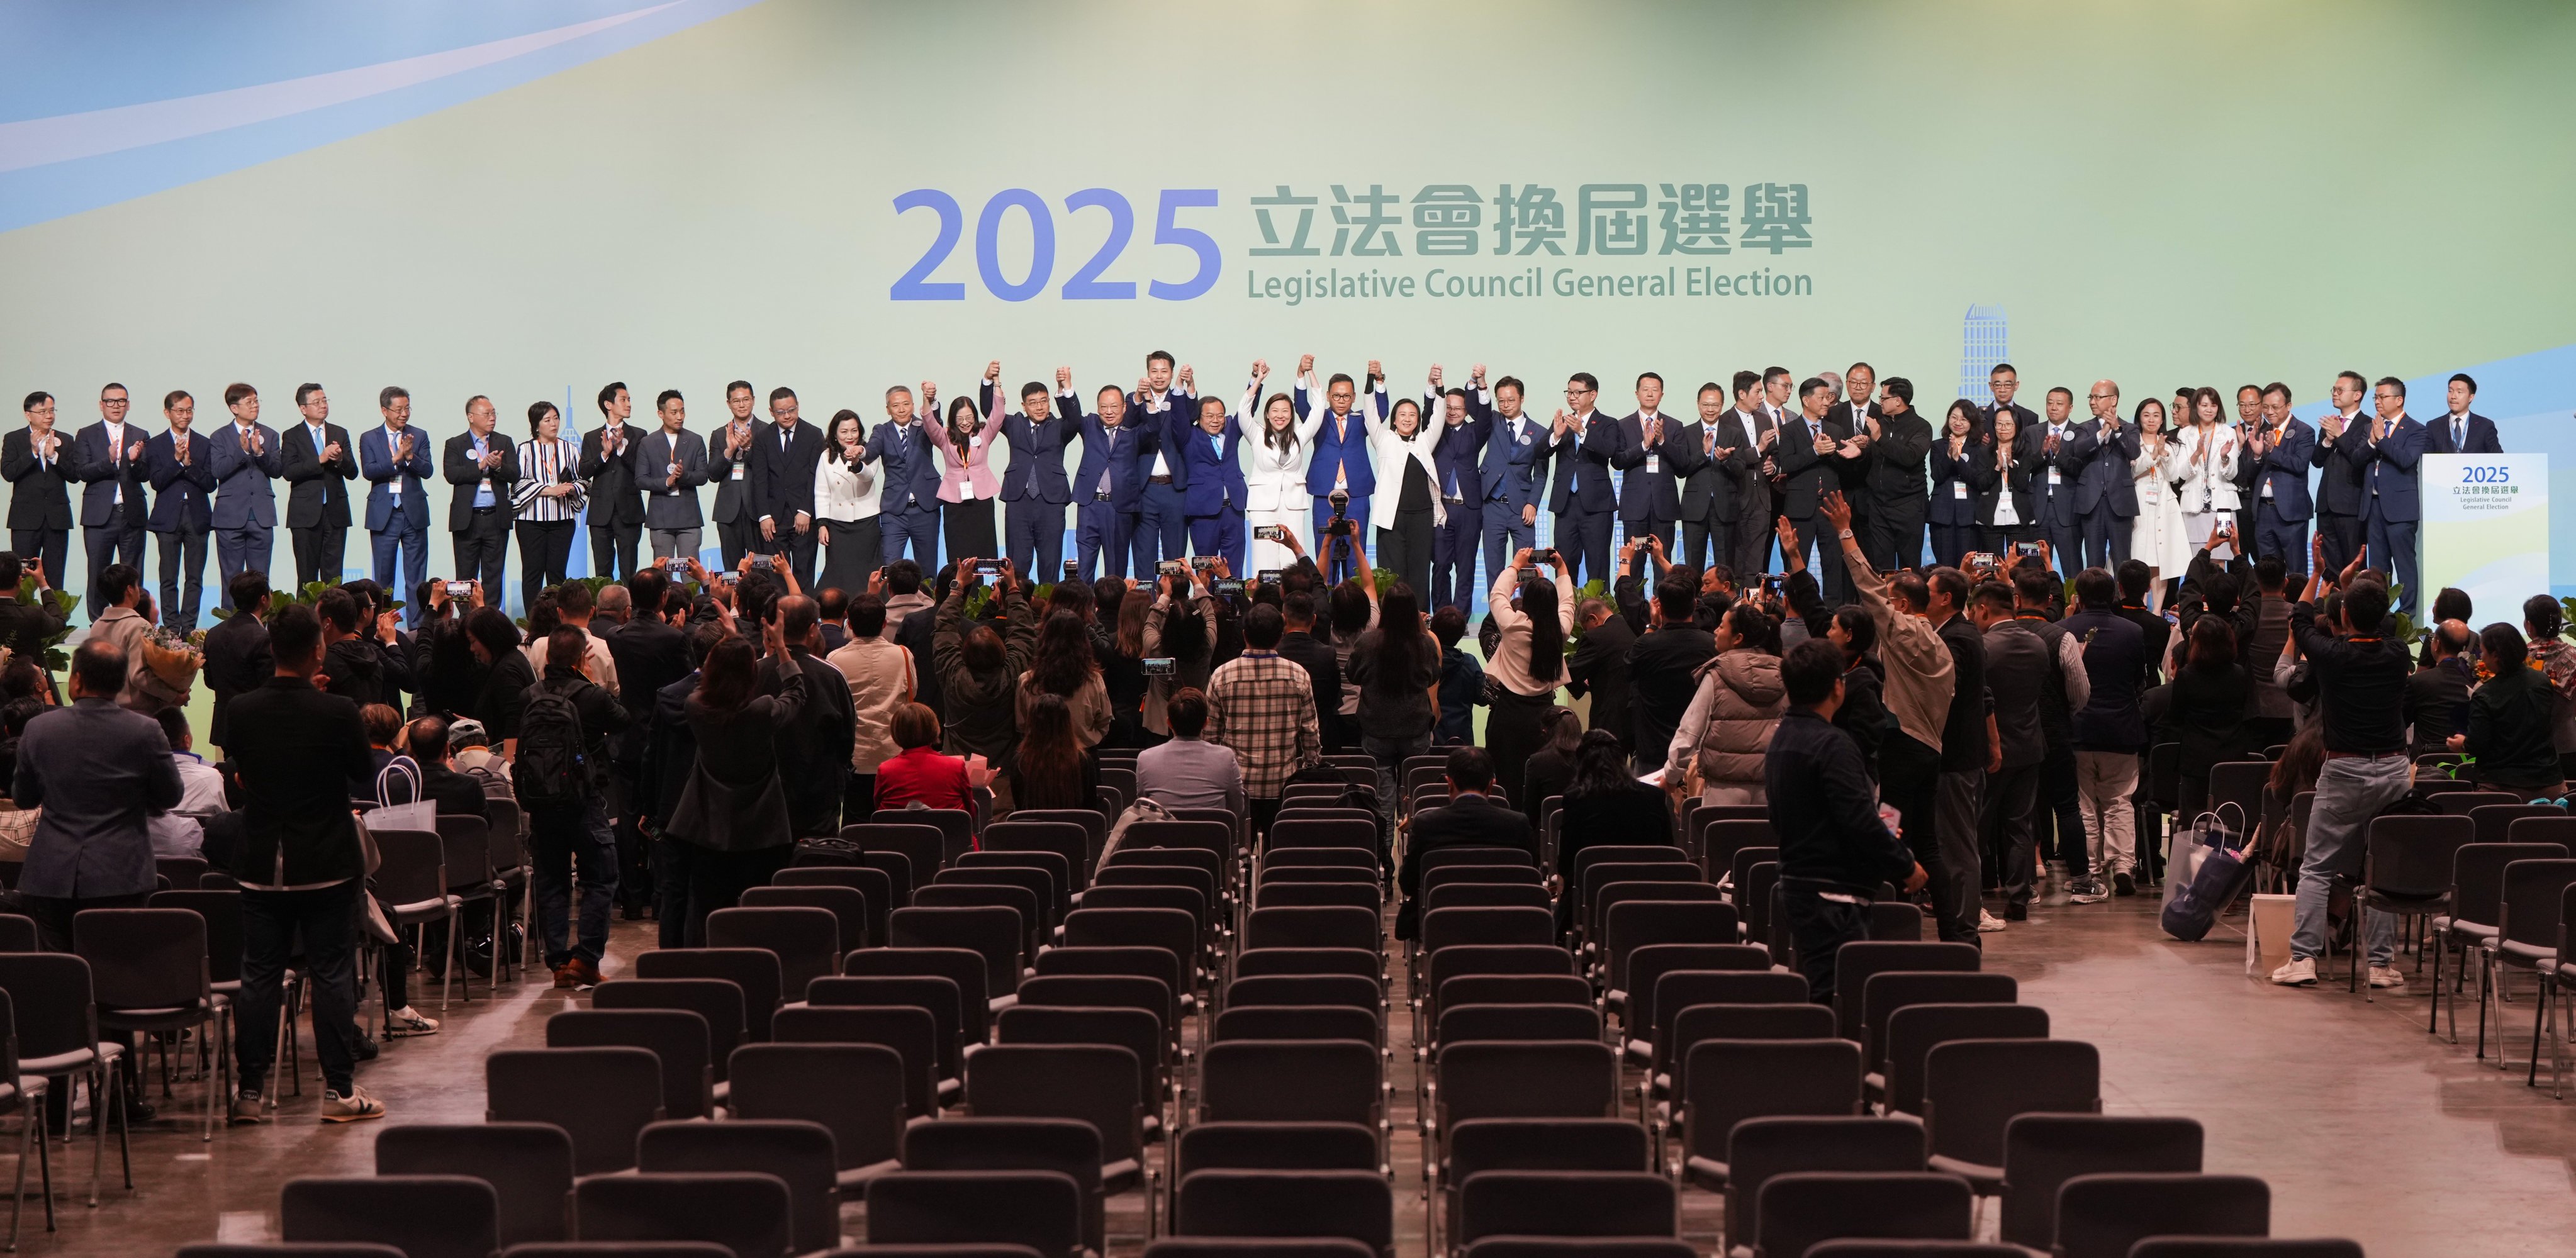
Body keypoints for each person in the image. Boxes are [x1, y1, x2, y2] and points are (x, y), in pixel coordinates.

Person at [221, 604, 384, 1123]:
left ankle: (249, 1093)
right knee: (333, 974)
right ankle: (339, 1092)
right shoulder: (337, 712)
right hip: (327, 861)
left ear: (271, 650)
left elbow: (241, 774)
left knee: (260, 976)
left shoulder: (241, 711)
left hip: (261, 860)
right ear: (318, 649)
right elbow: (362, 771)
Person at [1820, 491, 1966, 942]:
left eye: (1889, 599)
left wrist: (1846, 531)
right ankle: (1956, 935)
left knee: (1888, 836)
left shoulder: (1901, 632)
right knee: (1928, 845)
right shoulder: (1943, 647)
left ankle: (1896, 932)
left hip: (1900, 754)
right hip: (1930, 753)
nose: (1881, 603)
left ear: (1900, 605)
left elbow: (1865, 582)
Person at [2272, 548, 2413, 989]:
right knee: (2382, 864)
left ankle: (2304, 959)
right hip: (2392, 769)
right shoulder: (2396, 655)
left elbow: (2299, 618)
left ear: (2345, 615)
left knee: (2316, 867)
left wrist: (2321, 577)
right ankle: (2381, 964)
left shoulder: (2331, 656)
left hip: (2344, 770)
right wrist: (2354, 590)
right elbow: (2378, 622)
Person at [1769, 638, 1929, 1006]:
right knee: (1836, 994)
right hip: (1832, 892)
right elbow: (1858, 820)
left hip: (1800, 881)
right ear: (1837, 687)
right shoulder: (1833, 745)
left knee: (1824, 985)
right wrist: (1906, 865)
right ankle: (1830, 1061)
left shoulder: (1784, 737)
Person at [668, 620, 806, 942]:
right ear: (752, 675)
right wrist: (781, 647)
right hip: (762, 830)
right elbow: (797, 693)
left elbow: (712, 682)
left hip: (707, 826)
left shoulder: (695, 708)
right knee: (757, 912)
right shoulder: (763, 711)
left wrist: (731, 644)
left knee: (706, 910)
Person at [518, 624, 627, 988]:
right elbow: (624, 721)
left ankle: (559, 965)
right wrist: (592, 682)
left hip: (542, 803)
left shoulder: (528, 696)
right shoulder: (592, 696)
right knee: (601, 878)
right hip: (584, 801)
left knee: (552, 882)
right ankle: (587, 958)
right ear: (583, 658)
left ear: (547, 658)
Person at [2063, 566, 2149, 896]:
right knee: (2119, 800)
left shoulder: (2063, 629)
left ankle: (2091, 870)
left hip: (2078, 729)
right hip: (2122, 728)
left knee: (2084, 803)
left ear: (2078, 597)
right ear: (2114, 594)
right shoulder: (2132, 632)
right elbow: (2138, 679)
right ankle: (2124, 864)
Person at [1204, 603, 1321, 833]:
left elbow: (1210, 738)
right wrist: (1309, 772)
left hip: (1237, 787)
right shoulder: (1298, 675)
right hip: (1284, 786)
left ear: (1244, 635)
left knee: (1239, 855)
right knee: (1279, 854)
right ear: (1281, 636)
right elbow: (1310, 734)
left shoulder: (1222, 675)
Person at [1396, 746, 1535, 937]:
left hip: (1442, 925)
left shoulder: (1427, 824)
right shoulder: (1517, 824)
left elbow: (1409, 884)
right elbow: (1530, 878)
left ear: (1449, 783)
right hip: (1505, 924)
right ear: (1491, 785)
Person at [1969, 581, 2047, 921]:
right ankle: (2019, 898)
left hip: (1991, 748)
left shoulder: (1983, 647)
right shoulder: (2039, 644)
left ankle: (1974, 898)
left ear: (1984, 609)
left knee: (1978, 827)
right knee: (2020, 827)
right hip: (2030, 745)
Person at [931, 562, 1036, 810]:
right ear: (1002, 653)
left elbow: (944, 629)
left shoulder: (952, 674)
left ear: (964, 652)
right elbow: (1022, 634)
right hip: (1002, 773)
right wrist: (1011, 587)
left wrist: (957, 589)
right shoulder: (1012, 674)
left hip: (956, 773)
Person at [1666, 599, 1786, 806]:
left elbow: (1690, 732)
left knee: (1722, 838)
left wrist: (1671, 775)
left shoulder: (1717, 674)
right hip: (1773, 789)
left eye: (1722, 626)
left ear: (1738, 638)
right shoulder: (1786, 674)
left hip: (1725, 792)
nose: (1715, 631)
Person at [1557, 729, 1672, 926]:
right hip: (1647, 896)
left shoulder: (1576, 799)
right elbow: (1668, 852)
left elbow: (1567, 862)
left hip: (1591, 898)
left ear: (1582, 763)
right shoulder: (1654, 797)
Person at [1349, 583, 1442, 816]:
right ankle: (1413, 848)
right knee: (1415, 795)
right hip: (1415, 728)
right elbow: (1433, 677)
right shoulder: (1425, 644)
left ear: (1384, 609)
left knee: (1383, 797)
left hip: (1376, 728)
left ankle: (1384, 850)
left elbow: (1353, 675)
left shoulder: (1366, 642)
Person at [766, 594, 854, 837]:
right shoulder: (831, 675)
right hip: (819, 793)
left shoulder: (754, 671)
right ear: (813, 630)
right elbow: (847, 737)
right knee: (817, 869)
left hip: (765, 795)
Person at [983, 364, 1076, 584]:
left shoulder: (1060, 426)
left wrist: (1066, 386)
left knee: (1050, 561)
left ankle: (1047, 610)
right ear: (1024, 406)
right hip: (1019, 501)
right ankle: (1016, 606)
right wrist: (989, 380)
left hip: (1051, 501)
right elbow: (990, 411)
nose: (1040, 407)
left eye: (1044, 401)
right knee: (1018, 563)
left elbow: (1075, 418)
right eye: (1033, 403)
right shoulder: (1014, 424)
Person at [1294, 357, 1382, 584]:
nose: (1341, 401)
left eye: (1346, 396)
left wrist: (1378, 380)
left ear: (1353, 397)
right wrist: (1301, 375)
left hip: (1357, 493)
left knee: (1356, 549)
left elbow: (1380, 411)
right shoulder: (1319, 418)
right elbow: (1302, 405)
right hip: (1325, 493)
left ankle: (1354, 603)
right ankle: (1325, 600)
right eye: (1336, 396)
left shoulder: (1362, 418)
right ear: (1328, 397)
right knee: (1325, 548)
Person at [2453, 623, 2567, 798]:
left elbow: (2477, 745)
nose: (2481, 658)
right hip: (2550, 784)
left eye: (2483, 652)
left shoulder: (2484, 695)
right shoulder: (2543, 682)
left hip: (2501, 789)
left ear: (2496, 656)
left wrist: (2462, 744)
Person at [831, 591, 916, 815]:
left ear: (849, 624)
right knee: (893, 824)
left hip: (854, 758)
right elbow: (913, 693)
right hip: (894, 754)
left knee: (855, 824)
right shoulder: (903, 655)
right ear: (885, 623)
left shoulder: (835, 659)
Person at [72, 382, 152, 613]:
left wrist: (135, 461)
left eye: (121, 401)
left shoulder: (140, 435)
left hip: (132, 514)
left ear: (128, 405)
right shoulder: (86, 434)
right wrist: (108, 461)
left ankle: (135, 624)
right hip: (99, 516)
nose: (116, 406)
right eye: (110, 401)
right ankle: (98, 624)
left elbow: (146, 475)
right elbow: (81, 472)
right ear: (101, 405)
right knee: (98, 572)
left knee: (133, 574)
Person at [2166, 616, 2255, 818]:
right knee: (2229, 820)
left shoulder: (2187, 676)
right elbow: (2247, 713)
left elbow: (2175, 717)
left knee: (2193, 823)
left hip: (2196, 762)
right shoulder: (2240, 673)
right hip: (2233, 759)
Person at [2353, 376, 2426, 616]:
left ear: (2399, 399)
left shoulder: (2416, 430)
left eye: (2382, 397)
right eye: (2375, 397)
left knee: (2404, 565)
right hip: (2373, 506)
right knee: (2378, 568)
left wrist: (2382, 440)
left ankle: (2406, 615)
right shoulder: (2370, 427)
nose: (2377, 402)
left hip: (2400, 508)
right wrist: (2372, 443)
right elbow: (2357, 460)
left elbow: (2406, 461)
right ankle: (2379, 615)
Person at [145, 389, 216, 633]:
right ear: (167, 413)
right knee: (168, 577)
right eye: (180, 411)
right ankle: (172, 627)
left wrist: (190, 466)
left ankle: (189, 628)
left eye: (189, 410)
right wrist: (176, 461)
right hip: (167, 519)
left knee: (195, 578)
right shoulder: (154, 444)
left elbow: (210, 484)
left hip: (198, 517)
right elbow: (156, 482)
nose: (185, 415)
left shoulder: (204, 443)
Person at [1772, 377, 1849, 601]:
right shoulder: (1789, 431)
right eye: (1822, 397)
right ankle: (1796, 610)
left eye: (1829, 397)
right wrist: (1815, 451)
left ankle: (1833, 611)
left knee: (1833, 563)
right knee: (1797, 565)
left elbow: (1843, 468)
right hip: (1799, 508)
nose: (1827, 402)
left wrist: (1834, 452)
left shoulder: (1835, 430)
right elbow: (1787, 464)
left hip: (1830, 507)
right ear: (1806, 400)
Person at [359, 386, 434, 615]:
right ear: (384, 410)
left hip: (414, 514)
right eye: (399, 409)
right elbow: (369, 471)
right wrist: (396, 458)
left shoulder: (419, 435)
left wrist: (410, 457)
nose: (404, 414)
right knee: (383, 581)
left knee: (416, 580)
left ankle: (418, 631)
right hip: (384, 515)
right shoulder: (369, 438)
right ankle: (383, 628)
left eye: (407, 408)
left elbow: (428, 471)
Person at [1067, 376, 1150, 581]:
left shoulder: (1133, 430)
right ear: (1097, 408)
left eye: (1114, 406)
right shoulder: (1089, 424)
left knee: (1115, 569)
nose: (1109, 411)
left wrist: (1140, 396)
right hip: (1089, 504)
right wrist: (1067, 386)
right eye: (1103, 407)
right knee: (1084, 566)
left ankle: (1112, 611)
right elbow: (1072, 414)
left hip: (1119, 506)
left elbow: (1151, 423)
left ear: (1124, 407)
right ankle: (1084, 608)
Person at [746, 386, 827, 587]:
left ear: (798, 407)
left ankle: (805, 615)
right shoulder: (763, 438)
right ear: (771, 412)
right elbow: (760, 479)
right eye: (781, 412)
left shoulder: (814, 435)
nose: (787, 416)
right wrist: (764, 516)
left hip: (804, 517)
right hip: (773, 519)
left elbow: (815, 476)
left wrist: (806, 511)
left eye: (792, 410)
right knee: (775, 574)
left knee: (804, 571)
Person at [1365, 392, 1444, 598]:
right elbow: (1371, 415)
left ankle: (1421, 619)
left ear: (1418, 420)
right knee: (1392, 573)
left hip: (1422, 516)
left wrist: (1440, 388)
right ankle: (1391, 620)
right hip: (1391, 517)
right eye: (1402, 415)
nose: (1407, 419)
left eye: (1412, 415)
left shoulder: (1425, 441)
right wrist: (1370, 383)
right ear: (1394, 419)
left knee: (1420, 571)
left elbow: (1439, 417)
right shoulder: (1383, 439)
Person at [1545, 372, 1621, 586]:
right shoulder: (1562, 422)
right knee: (1564, 563)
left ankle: (1599, 616)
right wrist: (1557, 435)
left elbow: (1609, 451)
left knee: (1597, 565)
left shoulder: (1608, 423)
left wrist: (1582, 432)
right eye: (1569, 392)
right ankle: (1566, 613)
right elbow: (1540, 451)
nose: (1572, 397)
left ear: (1593, 394)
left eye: (1578, 392)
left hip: (1596, 507)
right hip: (1566, 504)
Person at [278, 382, 357, 586]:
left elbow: (353, 472)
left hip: (336, 513)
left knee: (334, 579)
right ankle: (306, 618)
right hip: (304, 515)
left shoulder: (339, 433)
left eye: (324, 401)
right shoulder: (292, 435)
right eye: (317, 402)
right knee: (307, 576)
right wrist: (320, 459)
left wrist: (339, 460)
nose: (323, 405)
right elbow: (288, 471)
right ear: (303, 409)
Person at [1423, 370, 1489, 610]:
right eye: (1448, 407)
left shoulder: (1475, 432)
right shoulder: (1435, 431)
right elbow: (1429, 411)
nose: (1452, 411)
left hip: (1469, 510)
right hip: (1441, 509)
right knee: (1440, 564)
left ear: (1466, 411)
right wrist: (1433, 386)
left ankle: (1460, 616)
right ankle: (1441, 613)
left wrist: (1480, 385)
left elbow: (1484, 416)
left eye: (1458, 408)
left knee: (1466, 565)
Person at [440, 395, 515, 601]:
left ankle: (490, 618)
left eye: (494, 413)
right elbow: (452, 474)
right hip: (467, 519)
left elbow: (515, 474)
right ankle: (465, 621)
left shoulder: (504, 441)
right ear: (471, 417)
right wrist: (481, 466)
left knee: (494, 574)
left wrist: (498, 466)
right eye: (487, 414)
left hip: (496, 517)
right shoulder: (455, 444)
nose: (492, 418)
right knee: (464, 575)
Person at [510, 402, 583, 613]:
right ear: (536, 425)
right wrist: (549, 490)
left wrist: (570, 489)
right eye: (547, 420)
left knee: (557, 573)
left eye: (556, 418)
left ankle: (557, 618)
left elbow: (583, 480)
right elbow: (519, 482)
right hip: (531, 520)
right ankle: (534, 621)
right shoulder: (525, 449)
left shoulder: (570, 449)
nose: (554, 424)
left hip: (562, 520)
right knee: (532, 573)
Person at [1244, 371, 1319, 576]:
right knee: (1263, 558)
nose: (1280, 415)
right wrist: (1258, 380)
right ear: (1267, 414)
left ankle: (1293, 601)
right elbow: (1243, 411)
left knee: (1291, 561)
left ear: (1291, 414)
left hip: (1293, 505)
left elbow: (1318, 410)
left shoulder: (1300, 435)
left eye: (1285, 411)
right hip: (1262, 507)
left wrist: (1309, 373)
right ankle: (1264, 603)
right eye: (1275, 411)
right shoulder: (1256, 434)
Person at [863, 384, 939, 575]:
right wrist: (860, 452)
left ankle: (928, 605)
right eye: (896, 406)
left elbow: (935, 423)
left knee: (928, 567)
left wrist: (930, 400)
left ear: (914, 406)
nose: (902, 409)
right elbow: (870, 451)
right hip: (894, 510)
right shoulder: (882, 431)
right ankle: (892, 605)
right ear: (888, 409)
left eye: (906, 404)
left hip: (926, 508)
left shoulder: (924, 426)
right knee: (890, 567)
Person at [1610, 371, 1683, 573]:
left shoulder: (1675, 426)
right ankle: (1635, 605)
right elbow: (1617, 461)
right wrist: (1643, 445)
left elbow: (1683, 465)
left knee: (1663, 567)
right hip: (1635, 510)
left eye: (1655, 390)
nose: (1650, 394)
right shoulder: (1622, 425)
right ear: (1637, 393)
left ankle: (1664, 605)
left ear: (1662, 395)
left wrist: (1662, 441)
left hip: (1664, 508)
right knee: (1634, 567)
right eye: (1645, 390)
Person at [1135, 687, 1246, 816]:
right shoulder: (1226, 758)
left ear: (1169, 723)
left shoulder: (1145, 758)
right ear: (1206, 723)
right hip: (1212, 836)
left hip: (1163, 836)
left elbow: (1143, 808)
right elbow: (1236, 810)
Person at [1177, 387, 1251, 578]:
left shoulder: (1232, 430)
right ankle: (1206, 605)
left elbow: (1248, 407)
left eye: (1220, 416)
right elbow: (1179, 415)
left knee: (1234, 566)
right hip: (1203, 512)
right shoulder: (1189, 435)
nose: (1216, 420)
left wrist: (1255, 380)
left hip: (1233, 510)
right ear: (1199, 418)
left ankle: (1232, 606)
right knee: (1205, 567)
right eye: (1209, 416)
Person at [2065, 381, 2138, 571]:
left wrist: (2116, 429)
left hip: (2120, 504)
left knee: (2123, 561)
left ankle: (2123, 601)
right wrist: (2102, 433)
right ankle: (2093, 601)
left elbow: (2134, 452)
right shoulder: (2084, 428)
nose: (2092, 402)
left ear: (2113, 400)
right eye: (2091, 397)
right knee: (2094, 563)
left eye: (2097, 397)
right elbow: (2079, 450)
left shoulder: (2129, 428)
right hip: (2092, 503)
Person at [1863, 377, 1932, 571]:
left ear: (1898, 400)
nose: (1880, 402)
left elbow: (1910, 457)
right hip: (1878, 505)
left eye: (1883, 398)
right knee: (1880, 567)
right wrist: (1862, 448)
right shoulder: (1879, 423)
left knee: (1908, 567)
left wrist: (1879, 438)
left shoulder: (1921, 426)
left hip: (1908, 506)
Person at [6, 392, 75, 584]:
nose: (49, 416)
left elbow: (75, 475)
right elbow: (8, 473)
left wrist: (54, 457)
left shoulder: (66, 439)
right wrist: (33, 452)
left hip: (57, 520)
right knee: (22, 576)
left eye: (52, 411)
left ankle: (53, 613)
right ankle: (21, 614)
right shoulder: (14, 439)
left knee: (55, 576)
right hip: (25, 521)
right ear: (29, 415)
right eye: (43, 411)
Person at [578, 382, 645, 582]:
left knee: (629, 570)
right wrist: (605, 454)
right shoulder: (591, 437)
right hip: (600, 513)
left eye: (629, 399)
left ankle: (631, 610)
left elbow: (641, 470)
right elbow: (583, 471)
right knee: (602, 570)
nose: (629, 404)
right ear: (609, 404)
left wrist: (622, 449)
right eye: (623, 400)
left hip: (629, 511)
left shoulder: (639, 435)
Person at [2127, 398, 2189, 603]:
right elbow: (2134, 470)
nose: (2151, 420)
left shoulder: (2171, 445)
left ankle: (2157, 611)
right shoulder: (2132, 443)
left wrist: (2164, 454)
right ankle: (2139, 606)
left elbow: (2174, 477)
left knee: (2162, 560)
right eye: (2147, 415)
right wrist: (2152, 455)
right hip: (2140, 506)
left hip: (2165, 507)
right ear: (2139, 418)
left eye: (2156, 416)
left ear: (2162, 420)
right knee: (2141, 559)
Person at [2309, 371, 2372, 577]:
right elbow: (2317, 461)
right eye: (2333, 390)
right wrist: (2327, 440)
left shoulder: (2368, 424)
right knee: (2329, 566)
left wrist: (2340, 434)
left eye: (2340, 390)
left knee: (2354, 565)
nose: (2335, 394)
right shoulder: (2331, 422)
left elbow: (2359, 458)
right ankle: (2331, 608)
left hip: (2351, 506)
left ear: (2357, 395)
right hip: (2326, 505)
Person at [1020, 610, 1112, 749]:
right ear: (1083, 642)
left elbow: (1022, 724)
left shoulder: (1026, 681)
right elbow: (1104, 722)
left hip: (1037, 758)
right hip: (1084, 754)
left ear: (1045, 639)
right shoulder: (1093, 680)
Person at [811, 409, 880, 594]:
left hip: (866, 522)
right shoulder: (826, 457)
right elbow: (822, 492)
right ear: (835, 434)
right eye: (844, 432)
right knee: (839, 571)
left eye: (854, 431)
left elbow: (868, 476)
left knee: (866, 571)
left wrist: (857, 462)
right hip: (837, 524)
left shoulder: (869, 452)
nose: (850, 436)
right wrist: (822, 524)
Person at [929, 391, 1000, 567]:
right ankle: (960, 593)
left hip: (981, 500)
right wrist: (926, 400)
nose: (965, 423)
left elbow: (998, 415)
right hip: (955, 502)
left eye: (969, 418)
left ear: (975, 417)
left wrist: (997, 382)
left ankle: (982, 593)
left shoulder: (983, 433)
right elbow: (929, 424)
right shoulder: (945, 437)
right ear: (953, 419)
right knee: (958, 557)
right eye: (960, 419)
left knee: (982, 557)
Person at [2171, 386, 2241, 565]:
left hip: (2224, 506)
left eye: (2214, 405)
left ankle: (2219, 595)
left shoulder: (2228, 432)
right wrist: (2196, 453)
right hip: (2194, 505)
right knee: (2197, 561)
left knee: (2221, 559)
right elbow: (2182, 473)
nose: (2209, 410)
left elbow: (2232, 473)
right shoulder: (2185, 434)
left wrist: (2225, 457)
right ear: (2196, 407)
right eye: (2204, 405)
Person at [637, 389, 707, 563]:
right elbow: (641, 479)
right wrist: (666, 482)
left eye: (682, 411)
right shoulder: (648, 442)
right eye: (674, 412)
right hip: (660, 518)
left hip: (689, 517)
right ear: (660, 413)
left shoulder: (695, 440)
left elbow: (703, 476)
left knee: (691, 574)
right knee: (662, 576)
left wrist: (683, 476)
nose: (680, 417)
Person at [1567, 582, 1637, 750]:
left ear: (1593, 618)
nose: (1586, 633)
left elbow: (1571, 674)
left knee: (1606, 773)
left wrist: (1582, 687)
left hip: (1610, 722)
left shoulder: (1596, 637)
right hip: (1639, 718)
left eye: (1586, 629)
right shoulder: (1635, 625)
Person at [700, 382, 763, 571]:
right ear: (729, 404)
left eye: (746, 400)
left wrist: (749, 449)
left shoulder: (766, 431)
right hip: (728, 512)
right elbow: (712, 474)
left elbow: (768, 470)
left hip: (757, 509)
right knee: (731, 569)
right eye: (736, 401)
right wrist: (729, 451)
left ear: (753, 401)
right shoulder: (719, 434)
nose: (741, 405)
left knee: (759, 568)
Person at [876, 701, 976, 813]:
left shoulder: (885, 770)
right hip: (949, 830)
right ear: (934, 728)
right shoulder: (956, 767)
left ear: (896, 732)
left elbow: (881, 815)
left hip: (899, 830)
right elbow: (969, 816)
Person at [1927, 400, 1991, 569]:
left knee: (1968, 566)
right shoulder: (1938, 445)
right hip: (1942, 513)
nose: (1958, 423)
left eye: (1963, 419)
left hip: (1969, 514)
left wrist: (1958, 459)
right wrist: (1949, 457)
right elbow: (1937, 476)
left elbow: (1977, 480)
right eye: (1953, 418)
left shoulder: (1980, 448)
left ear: (1972, 422)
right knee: (1944, 566)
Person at [1011, 691, 1099, 813]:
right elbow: (1090, 811)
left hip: (1031, 831)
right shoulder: (1083, 761)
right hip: (1073, 830)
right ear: (1067, 723)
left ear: (1032, 724)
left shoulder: (1020, 762)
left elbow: (1020, 807)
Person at [2030, 387, 2085, 579]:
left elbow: (2080, 469)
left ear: (2070, 408)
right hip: (2038, 510)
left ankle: (2074, 606)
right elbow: (2025, 467)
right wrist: (2043, 452)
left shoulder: (2080, 432)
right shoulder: (2032, 432)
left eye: (2059, 404)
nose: (2053, 407)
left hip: (2068, 510)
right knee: (2036, 570)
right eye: (2050, 403)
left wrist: (2060, 453)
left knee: (2072, 567)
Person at [2521, 595, 2576, 782]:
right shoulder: (2575, 657)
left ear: (2529, 625)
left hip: (2525, 747)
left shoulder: (2518, 658)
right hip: (2567, 746)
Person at [2405, 620, 2475, 762]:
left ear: (2438, 645)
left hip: (2424, 764)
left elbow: (2401, 722)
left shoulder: (2419, 681)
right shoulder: (2475, 682)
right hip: (2466, 764)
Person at [1976, 408, 2037, 559]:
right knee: (1992, 568)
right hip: (1989, 519)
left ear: (2017, 426)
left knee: (2021, 565)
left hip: (2020, 518)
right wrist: (1997, 467)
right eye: (1999, 424)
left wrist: (2010, 464)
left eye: (2008, 424)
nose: (2003, 429)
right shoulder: (1984, 453)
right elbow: (1981, 484)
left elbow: (2023, 485)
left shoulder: (2025, 452)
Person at [1431, 604, 1487, 747]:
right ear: (1461, 633)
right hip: (1462, 737)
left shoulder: (1424, 661)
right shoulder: (1469, 662)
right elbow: (1482, 698)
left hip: (1429, 737)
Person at [2424, 372, 2502, 455]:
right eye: (2450, 391)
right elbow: (2425, 460)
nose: (2453, 396)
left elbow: (2498, 459)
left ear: (2471, 397)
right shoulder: (2433, 426)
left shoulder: (2485, 426)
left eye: (2459, 392)